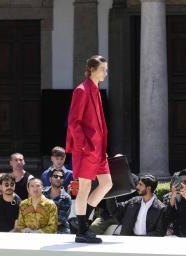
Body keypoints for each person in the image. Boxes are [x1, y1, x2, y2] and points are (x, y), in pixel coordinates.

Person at [66, 55, 113, 243]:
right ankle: (82, 230)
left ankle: (81, 223)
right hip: (86, 149)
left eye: (106, 69)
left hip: (98, 150)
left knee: (107, 183)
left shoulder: (95, 90)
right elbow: (73, 122)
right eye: (103, 69)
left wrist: (100, 147)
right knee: (84, 187)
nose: (105, 72)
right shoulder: (82, 90)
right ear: (92, 69)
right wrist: (84, 145)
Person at [46, 168, 73, 233]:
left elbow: (60, 221)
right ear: (50, 179)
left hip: (60, 230)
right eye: (55, 176)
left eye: (61, 177)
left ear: (63, 180)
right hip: (41, 227)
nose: (58, 178)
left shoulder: (66, 198)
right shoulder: (42, 193)